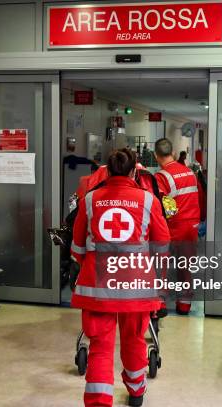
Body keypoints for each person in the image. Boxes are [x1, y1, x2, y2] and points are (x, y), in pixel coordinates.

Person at [70, 149, 170, 407]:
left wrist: (93, 266)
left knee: (101, 347)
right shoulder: (149, 201)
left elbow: (78, 247)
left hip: (98, 288)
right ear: (134, 171)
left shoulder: (90, 200)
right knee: (134, 339)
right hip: (136, 286)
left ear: (107, 171)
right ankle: (136, 392)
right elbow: (162, 245)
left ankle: (98, 402)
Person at [154, 138, 201, 315]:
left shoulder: (161, 177)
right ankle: (184, 305)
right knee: (185, 267)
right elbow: (199, 199)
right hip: (192, 225)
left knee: (161, 266)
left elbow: (168, 208)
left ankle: (160, 304)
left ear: (156, 155)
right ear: (173, 152)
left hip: (174, 227)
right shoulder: (189, 172)